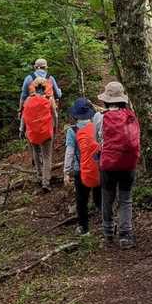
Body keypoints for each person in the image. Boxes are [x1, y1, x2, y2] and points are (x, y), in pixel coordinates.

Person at [96, 80, 140, 249]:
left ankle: (108, 232)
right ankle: (125, 235)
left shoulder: (100, 117)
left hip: (108, 164)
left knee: (107, 198)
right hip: (128, 163)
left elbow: (97, 139)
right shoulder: (131, 116)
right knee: (125, 198)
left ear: (106, 100)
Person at [62, 97, 102, 236]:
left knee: (81, 200)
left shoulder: (72, 131)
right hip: (98, 167)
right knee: (100, 198)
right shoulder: (95, 126)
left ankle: (84, 228)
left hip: (80, 170)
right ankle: (108, 223)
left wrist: (66, 172)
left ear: (75, 115)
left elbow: (69, 152)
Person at [20, 77, 60, 190]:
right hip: (46, 132)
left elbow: (23, 117)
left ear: (34, 88)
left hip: (32, 132)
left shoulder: (28, 100)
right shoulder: (49, 99)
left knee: (36, 153)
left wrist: (22, 130)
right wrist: (55, 128)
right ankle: (45, 182)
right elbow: (55, 115)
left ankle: (39, 175)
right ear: (45, 87)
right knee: (47, 157)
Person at [18, 58, 62, 125]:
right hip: (47, 105)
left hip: (32, 106)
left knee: (24, 117)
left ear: (35, 67)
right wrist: (59, 91)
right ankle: (55, 128)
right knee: (55, 116)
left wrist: (20, 110)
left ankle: (21, 129)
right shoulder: (51, 78)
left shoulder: (28, 78)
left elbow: (23, 96)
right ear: (46, 67)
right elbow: (58, 95)